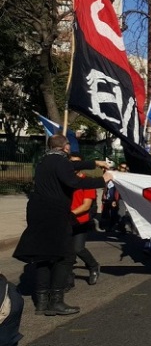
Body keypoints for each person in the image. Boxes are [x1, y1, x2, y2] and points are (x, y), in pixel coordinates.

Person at [13, 135, 112, 316]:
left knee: (43, 255)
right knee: (65, 255)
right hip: (55, 214)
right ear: (66, 147)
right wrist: (102, 180)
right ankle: (56, 302)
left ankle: (41, 301)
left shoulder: (46, 161)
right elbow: (73, 181)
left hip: (39, 212)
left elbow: (71, 166)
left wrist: (94, 163)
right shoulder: (60, 162)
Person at [68, 153, 101, 287]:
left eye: (77, 163)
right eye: (71, 162)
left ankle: (93, 266)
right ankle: (68, 277)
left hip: (79, 220)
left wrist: (68, 214)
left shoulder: (87, 182)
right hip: (65, 220)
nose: (74, 166)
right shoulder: (64, 179)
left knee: (78, 249)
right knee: (65, 250)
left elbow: (86, 205)